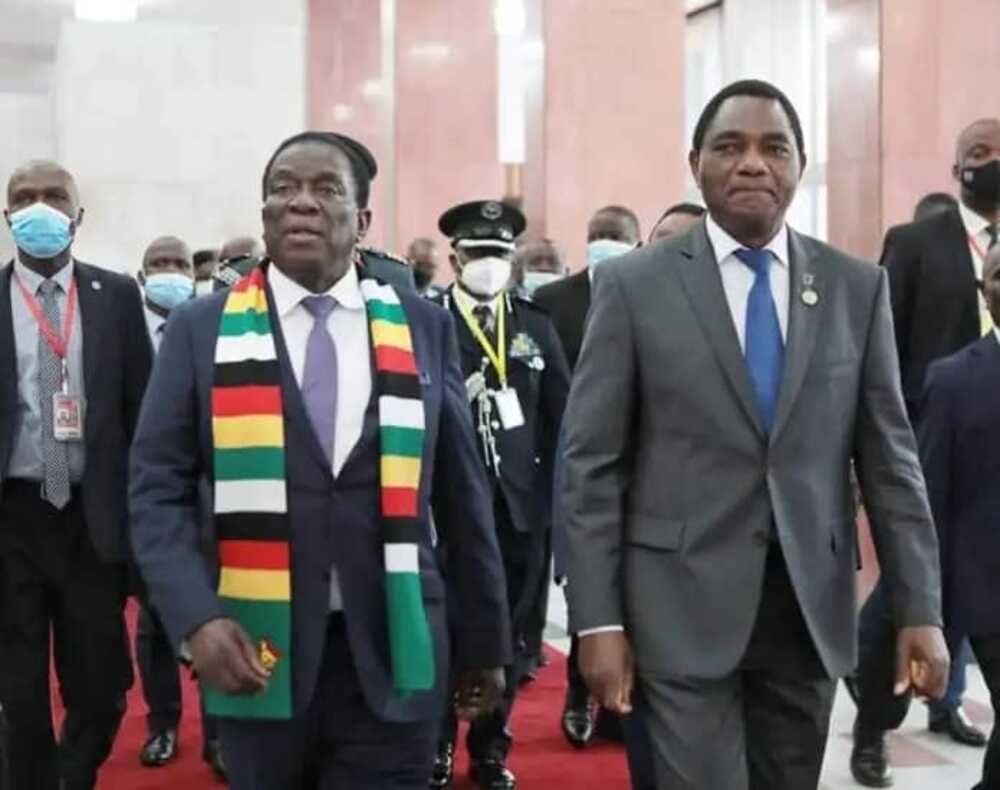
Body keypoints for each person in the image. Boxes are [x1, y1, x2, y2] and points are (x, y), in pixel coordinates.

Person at [561, 79, 950, 790]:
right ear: (695, 163)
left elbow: (892, 462)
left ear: (800, 165)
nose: (752, 163)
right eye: (729, 147)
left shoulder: (856, 288)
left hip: (805, 614)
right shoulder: (635, 287)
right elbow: (591, 466)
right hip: (675, 609)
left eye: (774, 148)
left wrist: (920, 608)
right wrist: (596, 621)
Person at [129, 131, 512, 790]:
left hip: (395, 651)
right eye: (283, 189)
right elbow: (155, 488)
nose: (300, 203)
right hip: (256, 650)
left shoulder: (422, 325)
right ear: (264, 215)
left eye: (325, 189)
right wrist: (196, 618)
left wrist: (485, 638)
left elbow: (460, 494)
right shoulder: (202, 330)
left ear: (362, 221)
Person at [850, 120, 1000, 787]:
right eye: (979, 154)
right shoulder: (916, 243)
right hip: (931, 452)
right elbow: (878, 351)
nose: (992, 163)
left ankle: (947, 706)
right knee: (906, 601)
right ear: (956, 167)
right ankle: (873, 726)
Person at [0, 159, 154, 789]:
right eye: (24, 197)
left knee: (101, 684)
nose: (39, 207)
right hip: (13, 517)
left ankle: (72, 775)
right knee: (18, 688)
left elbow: (142, 409)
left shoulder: (116, 296)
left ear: (77, 215)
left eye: (54, 196)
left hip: (92, 519)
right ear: (7, 215)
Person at [429, 200, 570, 790]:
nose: (489, 263)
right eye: (478, 253)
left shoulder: (534, 326)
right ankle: (436, 745)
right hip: (445, 511)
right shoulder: (429, 321)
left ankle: (489, 748)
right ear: (455, 259)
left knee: (509, 634)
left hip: (518, 510)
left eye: (499, 254)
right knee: (442, 628)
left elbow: (561, 422)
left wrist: (556, 510)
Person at [134, 235, 228, 779]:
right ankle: (163, 723)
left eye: (180, 264)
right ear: (142, 275)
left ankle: (219, 734)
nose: (170, 271)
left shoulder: (211, 329)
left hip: (214, 499)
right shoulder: (127, 333)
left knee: (217, 611)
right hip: (155, 498)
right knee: (154, 621)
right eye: (159, 264)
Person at [917, 243, 1000, 790]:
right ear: (983, 291)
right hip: (990, 594)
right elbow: (929, 500)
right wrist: (929, 611)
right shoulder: (952, 380)